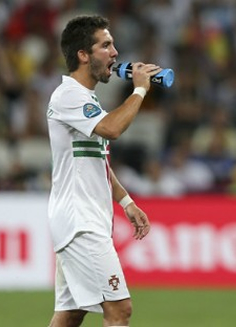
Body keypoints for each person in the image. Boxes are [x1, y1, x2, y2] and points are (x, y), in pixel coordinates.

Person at [47, 15, 159, 327]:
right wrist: (139, 91)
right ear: (83, 55)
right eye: (106, 45)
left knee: (70, 314)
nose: (115, 52)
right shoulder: (68, 95)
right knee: (119, 310)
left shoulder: (87, 100)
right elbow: (111, 129)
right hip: (79, 221)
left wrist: (126, 202)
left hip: (84, 218)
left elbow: (97, 163)